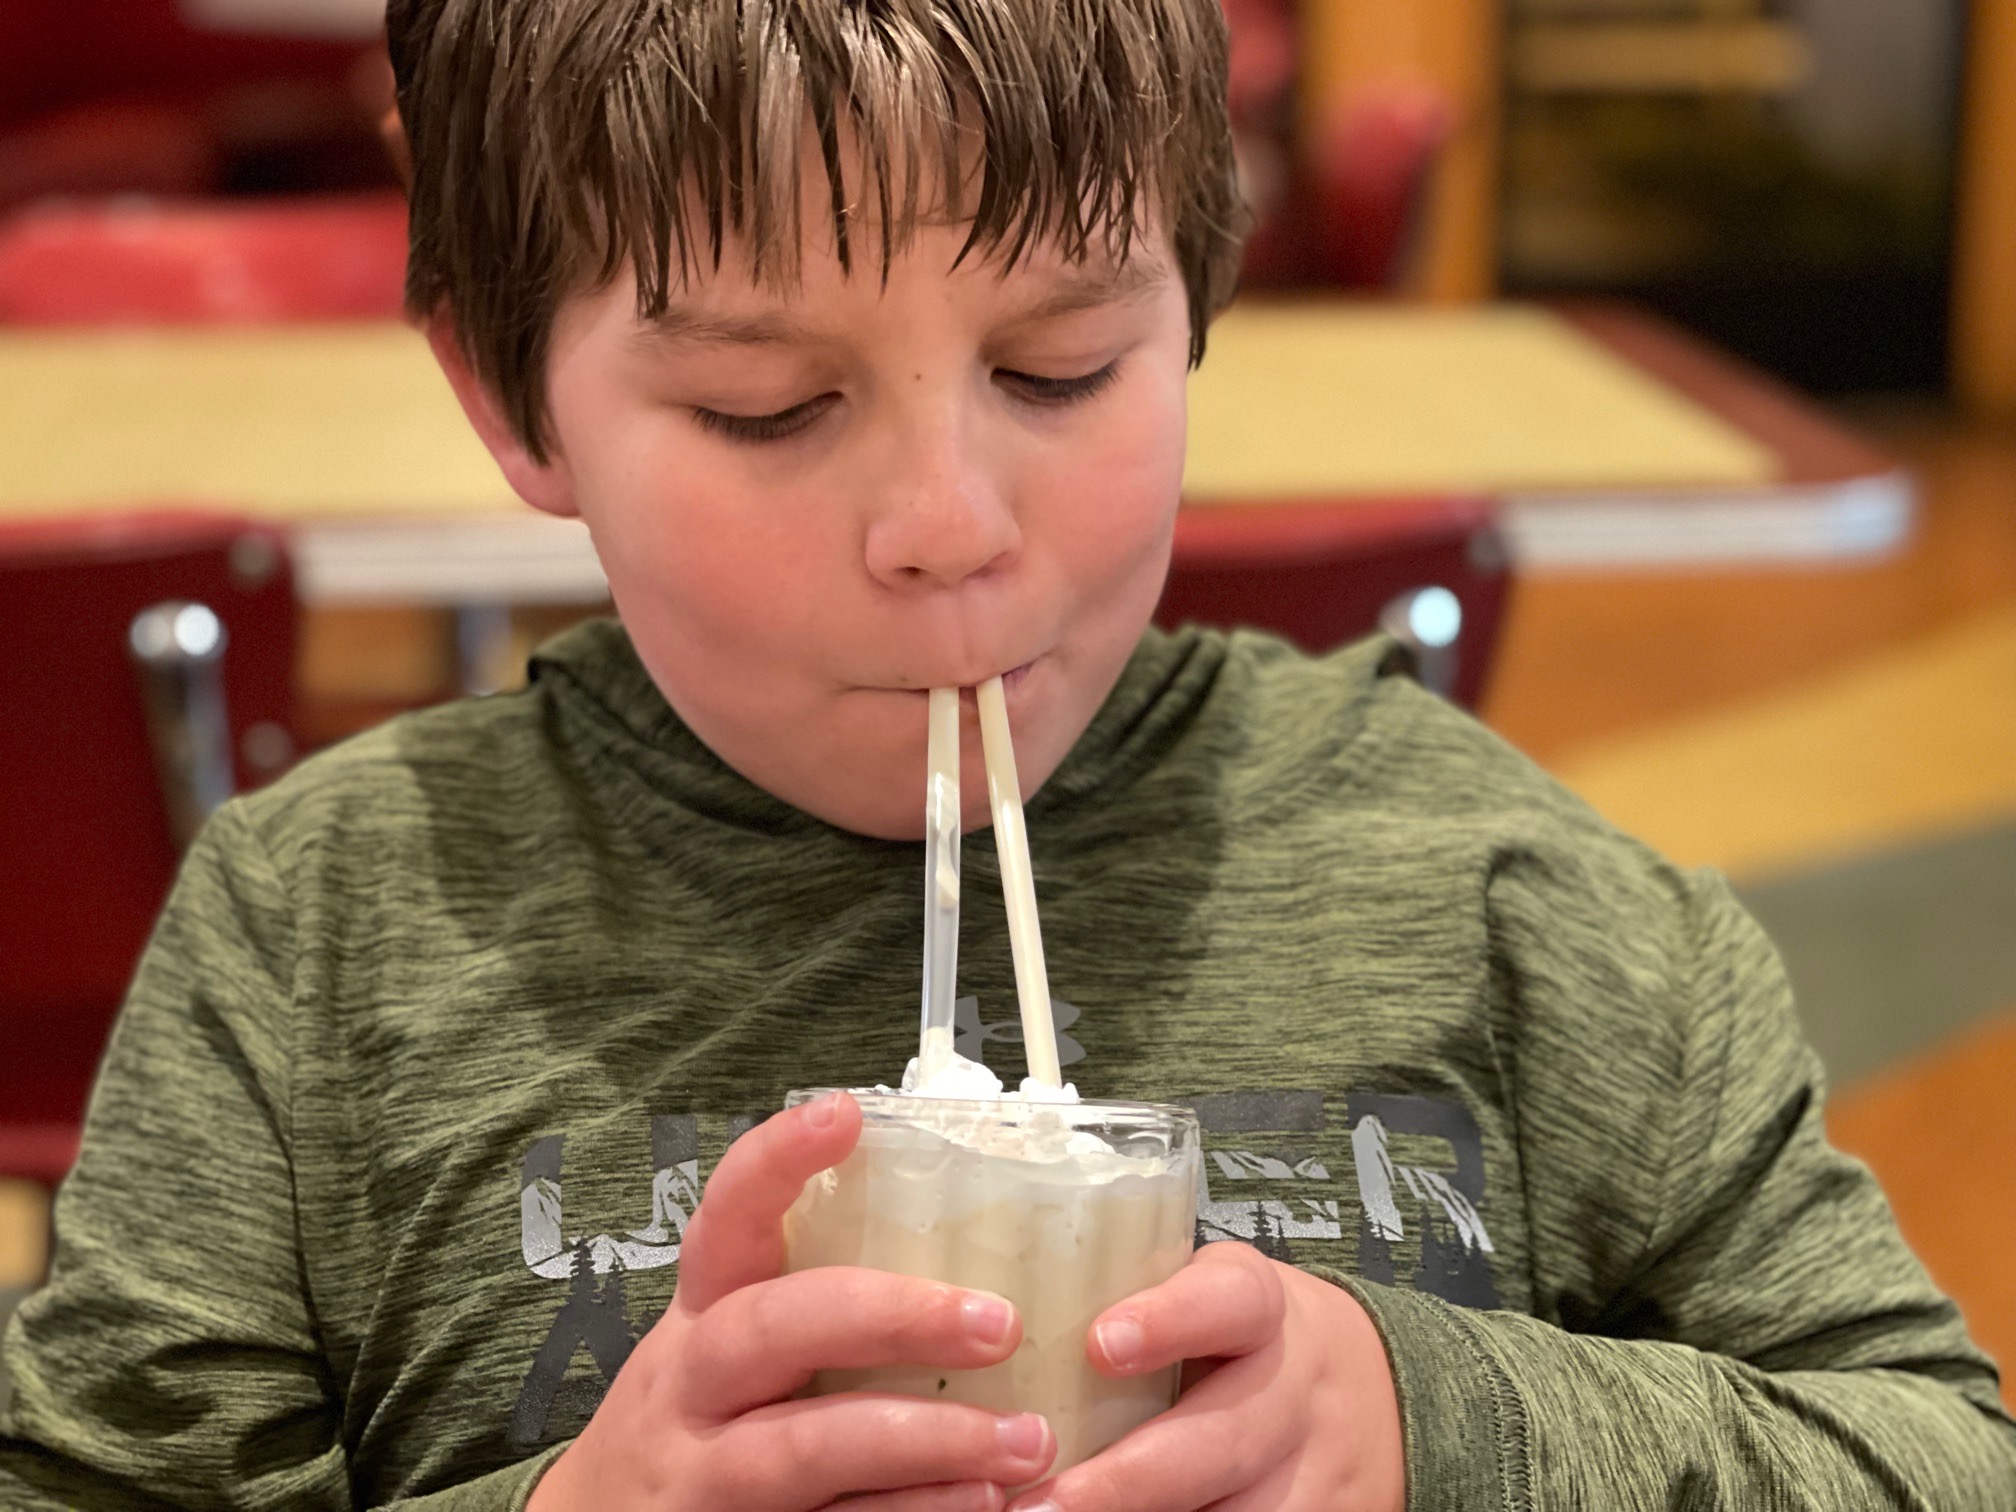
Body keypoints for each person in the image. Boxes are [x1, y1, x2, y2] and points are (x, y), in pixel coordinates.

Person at [3, 0, 2014, 1506]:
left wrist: (1440, 1426)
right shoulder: (321, 933)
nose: (948, 523)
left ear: (1199, 301)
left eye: (1061, 367)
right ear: (512, 399)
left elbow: (1931, 1451)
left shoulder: (1499, 890)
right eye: (769, 406)